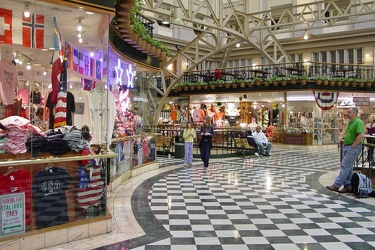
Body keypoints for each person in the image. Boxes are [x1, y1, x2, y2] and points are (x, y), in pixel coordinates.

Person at [326, 107, 364, 193]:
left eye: (349, 112)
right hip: (347, 146)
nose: (347, 114)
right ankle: (347, 185)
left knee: (345, 166)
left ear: (355, 113)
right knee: (348, 168)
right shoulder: (350, 123)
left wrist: (353, 145)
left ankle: (336, 185)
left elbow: (361, 135)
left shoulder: (358, 122)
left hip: (352, 147)